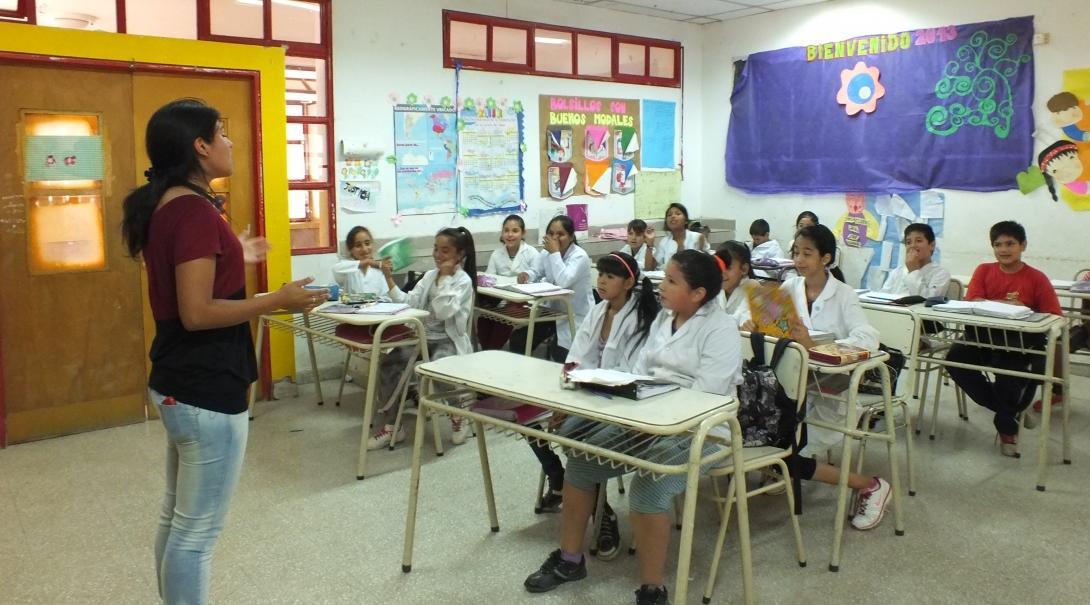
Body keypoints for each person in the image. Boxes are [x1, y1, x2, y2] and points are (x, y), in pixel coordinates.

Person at [121, 98, 324, 605]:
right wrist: (277, 301)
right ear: (200, 146)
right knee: (196, 534)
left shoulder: (173, 202)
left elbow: (192, 268)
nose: (231, 143)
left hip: (179, 381)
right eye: (223, 134)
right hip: (205, 385)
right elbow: (197, 311)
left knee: (178, 518)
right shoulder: (191, 210)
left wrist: (237, 251)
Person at [524, 250, 740, 605]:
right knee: (580, 464)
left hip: (703, 431)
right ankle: (569, 560)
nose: (661, 287)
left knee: (646, 489)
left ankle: (652, 589)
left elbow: (706, 395)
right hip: (647, 417)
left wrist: (652, 418)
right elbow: (640, 370)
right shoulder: (664, 319)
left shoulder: (721, 328)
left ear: (699, 293)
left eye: (672, 281)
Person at [744, 224, 892, 530]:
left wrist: (817, 345)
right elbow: (772, 328)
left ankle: (866, 485)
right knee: (775, 431)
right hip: (792, 380)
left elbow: (867, 337)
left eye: (807, 253)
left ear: (826, 257)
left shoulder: (843, 293)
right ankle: (780, 465)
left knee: (789, 446)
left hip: (829, 385)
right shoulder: (788, 287)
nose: (799, 259)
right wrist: (756, 326)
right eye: (796, 252)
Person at [534, 252, 659, 556]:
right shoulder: (598, 310)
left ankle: (597, 508)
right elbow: (577, 357)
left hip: (619, 402)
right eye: (600, 273)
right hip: (589, 395)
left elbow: (632, 375)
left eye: (610, 276)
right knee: (539, 427)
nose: (601, 281)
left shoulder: (641, 319)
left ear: (629, 282)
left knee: (577, 441)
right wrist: (566, 399)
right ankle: (585, 498)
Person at [945, 221, 1063, 457]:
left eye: (1010, 243)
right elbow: (972, 302)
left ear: (1023, 245)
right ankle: (1011, 412)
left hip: (1020, 344)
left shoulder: (1037, 278)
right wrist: (1003, 305)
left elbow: (1055, 317)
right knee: (955, 360)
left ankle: (1007, 426)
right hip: (982, 337)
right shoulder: (984, 270)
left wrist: (1025, 310)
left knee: (1010, 376)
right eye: (998, 244)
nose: (1004, 249)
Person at [367, 227, 478, 449]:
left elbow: (444, 312)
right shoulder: (429, 276)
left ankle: (459, 414)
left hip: (447, 339)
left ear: (459, 255)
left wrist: (445, 279)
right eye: (436, 249)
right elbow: (411, 302)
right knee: (389, 363)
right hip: (421, 336)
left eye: (445, 251)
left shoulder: (462, 281)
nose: (438, 255)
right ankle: (392, 427)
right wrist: (389, 279)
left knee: (438, 369)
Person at [513, 215, 594, 361]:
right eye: (551, 234)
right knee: (519, 340)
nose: (555, 238)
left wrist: (555, 253)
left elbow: (564, 281)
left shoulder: (580, 256)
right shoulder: (546, 253)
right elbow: (536, 271)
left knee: (560, 350)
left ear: (571, 237)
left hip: (574, 315)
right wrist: (526, 275)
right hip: (552, 312)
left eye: (560, 234)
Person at [479, 214, 538, 350]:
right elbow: (489, 280)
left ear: (523, 233)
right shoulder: (496, 254)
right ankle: (485, 352)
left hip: (525, 302)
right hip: (499, 300)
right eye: (506, 230)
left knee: (504, 320)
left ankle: (492, 352)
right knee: (484, 319)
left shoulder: (531, 253)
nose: (510, 235)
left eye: (515, 231)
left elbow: (539, 279)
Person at [877, 223, 951, 298]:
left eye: (918, 241)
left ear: (932, 245)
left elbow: (927, 301)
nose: (913, 246)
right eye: (908, 242)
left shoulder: (941, 273)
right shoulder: (897, 272)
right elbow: (883, 296)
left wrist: (913, 271)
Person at [647, 202, 709, 270]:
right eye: (669, 215)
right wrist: (649, 244)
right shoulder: (664, 242)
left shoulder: (698, 238)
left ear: (686, 221)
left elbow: (704, 266)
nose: (673, 216)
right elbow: (649, 268)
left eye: (678, 214)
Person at [331, 226, 388, 297]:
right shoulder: (347, 268)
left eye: (367, 244)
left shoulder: (378, 271)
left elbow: (386, 297)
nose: (364, 249)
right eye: (358, 245)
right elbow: (335, 269)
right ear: (350, 249)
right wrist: (368, 261)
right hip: (351, 308)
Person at [713, 241, 755, 326]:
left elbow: (738, 320)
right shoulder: (717, 288)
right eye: (719, 267)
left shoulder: (753, 288)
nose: (722, 273)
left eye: (728, 268)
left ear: (744, 269)